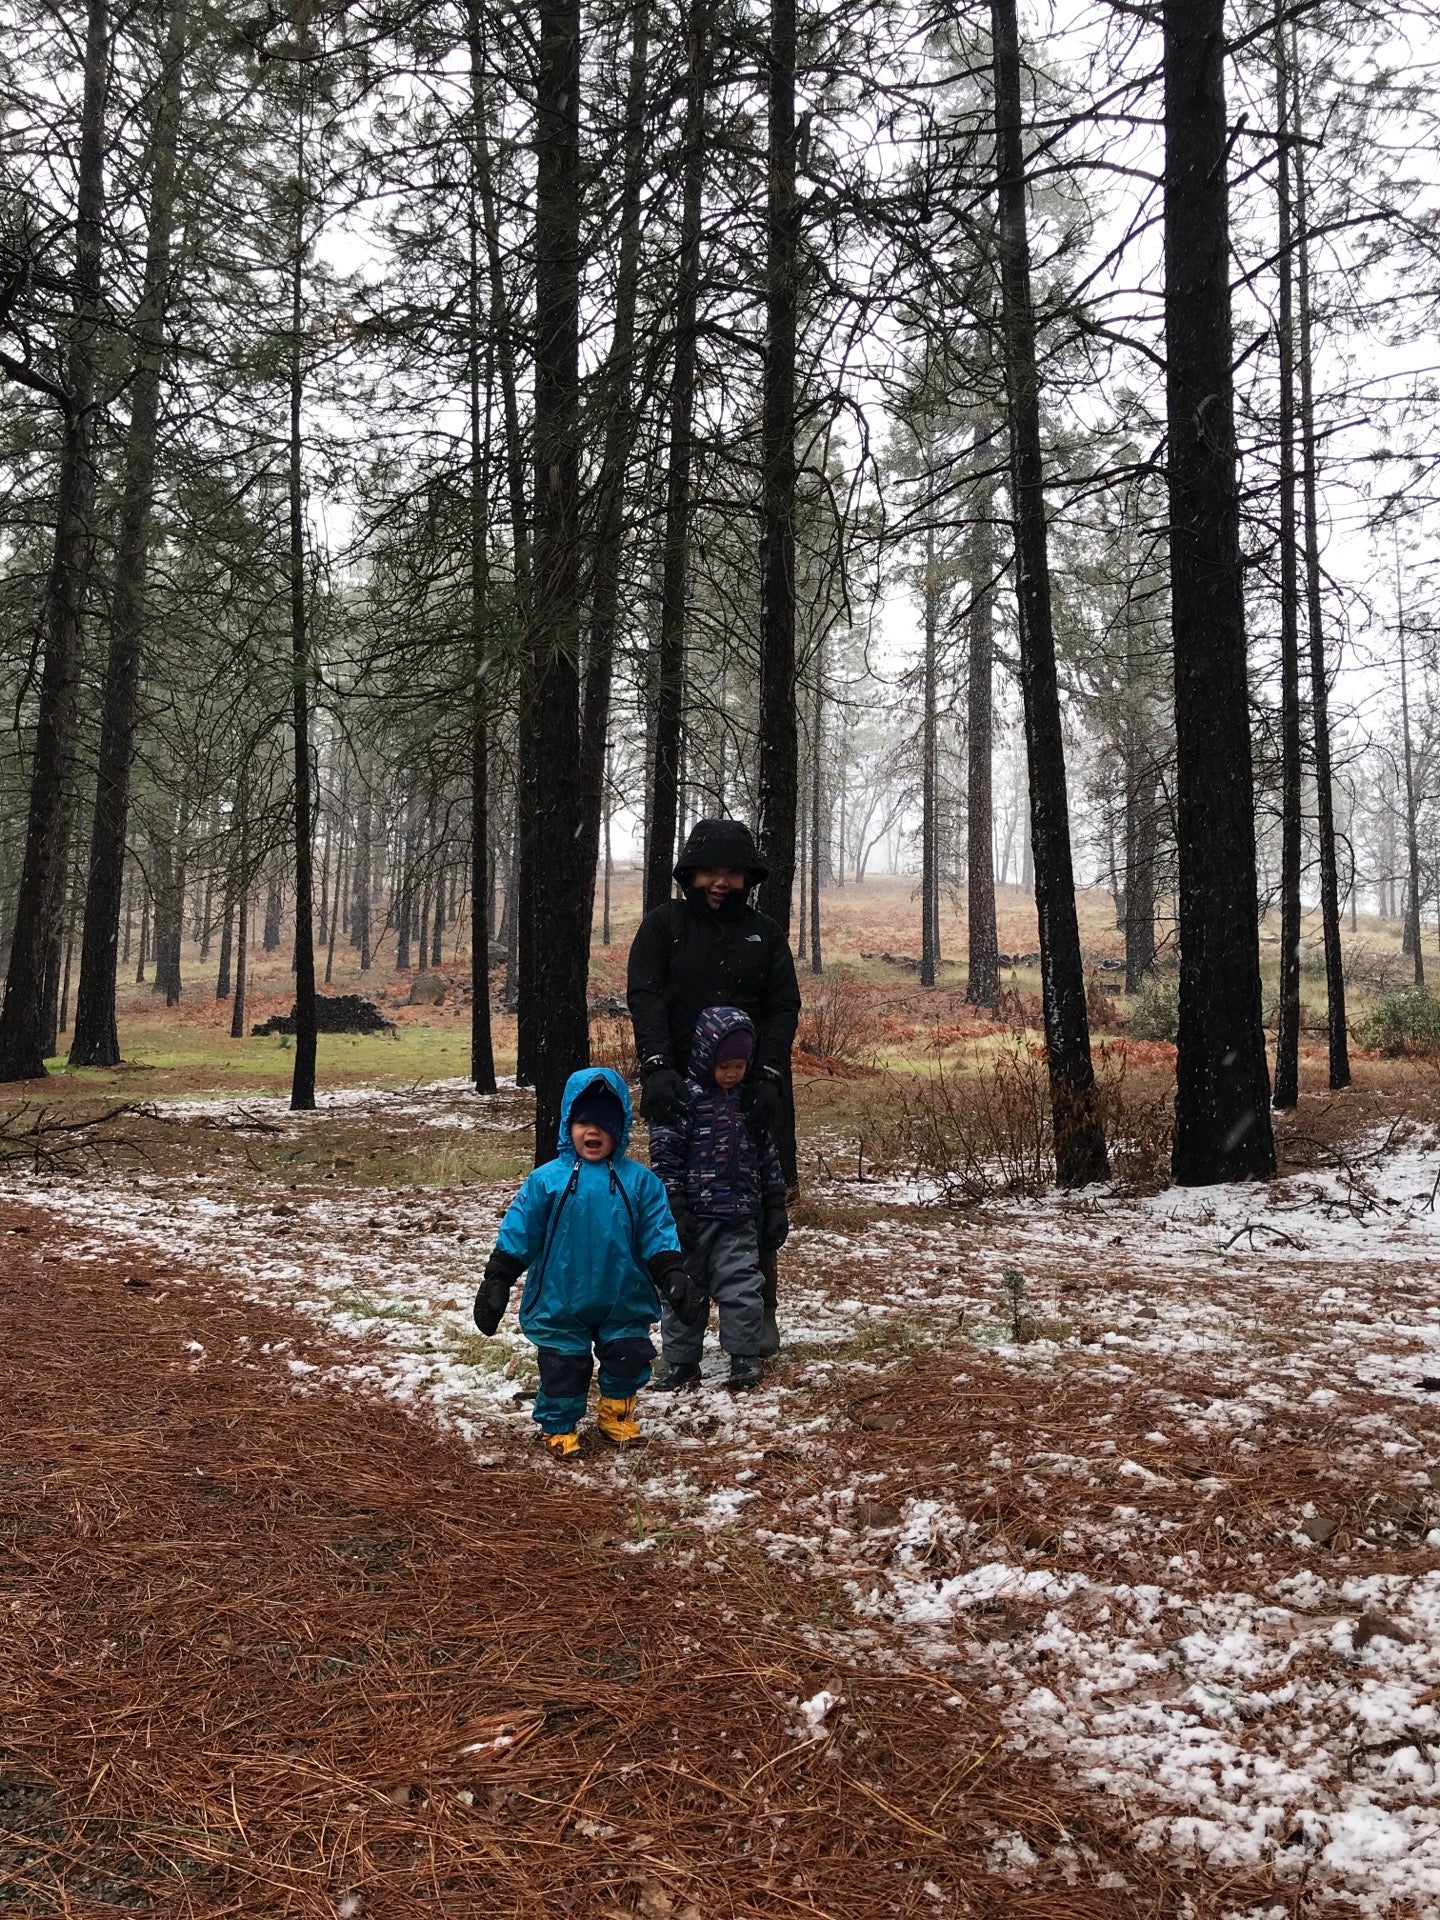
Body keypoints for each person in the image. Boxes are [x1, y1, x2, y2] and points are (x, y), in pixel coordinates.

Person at [627, 818, 801, 1353]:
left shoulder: (764, 934)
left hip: (751, 1089)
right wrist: (656, 1066)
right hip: (680, 1092)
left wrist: (769, 1075)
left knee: (753, 1200)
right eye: (709, 871)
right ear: (689, 874)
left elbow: (783, 1006)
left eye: (732, 872)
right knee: (681, 1202)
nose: (721, 883)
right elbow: (645, 995)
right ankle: (682, 1316)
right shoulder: (664, 925)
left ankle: (756, 1316)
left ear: (748, 877)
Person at [472, 1067, 703, 1457]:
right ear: (567, 1124)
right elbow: (521, 1229)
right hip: (561, 1298)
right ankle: (559, 1425)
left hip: (622, 1296)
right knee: (564, 1365)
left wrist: (672, 1272)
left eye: (603, 1124)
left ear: (622, 1128)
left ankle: (616, 1415)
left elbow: (656, 1233)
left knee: (628, 1356)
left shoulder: (641, 1182)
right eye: (583, 1122)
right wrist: (499, 1276)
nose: (591, 1133)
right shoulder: (547, 1181)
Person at [647, 1007, 788, 1392]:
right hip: (691, 1220)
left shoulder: (748, 1104)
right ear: (705, 1057)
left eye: (740, 1066)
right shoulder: (685, 1102)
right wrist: (673, 1207)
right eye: (724, 1065)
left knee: (741, 1284)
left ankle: (743, 1356)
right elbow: (665, 1157)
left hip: (739, 1218)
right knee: (683, 1291)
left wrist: (774, 1204)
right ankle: (680, 1361)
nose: (731, 1074)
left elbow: (768, 1158)